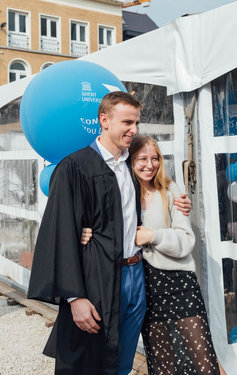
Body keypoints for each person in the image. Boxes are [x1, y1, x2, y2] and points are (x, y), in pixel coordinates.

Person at [27, 91, 190, 375]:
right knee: (87, 360)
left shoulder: (131, 165)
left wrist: (179, 199)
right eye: (127, 122)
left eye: (137, 123)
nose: (134, 130)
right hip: (97, 278)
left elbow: (157, 185)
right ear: (104, 120)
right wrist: (74, 297)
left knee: (120, 361)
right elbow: (61, 232)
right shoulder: (75, 167)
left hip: (136, 276)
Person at [83, 135, 223, 375]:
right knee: (163, 366)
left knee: (205, 362)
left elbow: (186, 240)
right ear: (130, 160)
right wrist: (85, 231)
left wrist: (152, 236)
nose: (150, 165)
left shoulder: (170, 190)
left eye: (155, 158)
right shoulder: (119, 192)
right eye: (142, 159)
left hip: (180, 285)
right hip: (144, 288)